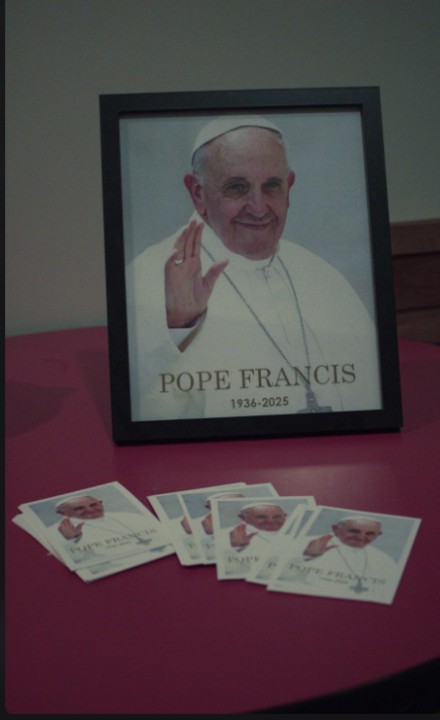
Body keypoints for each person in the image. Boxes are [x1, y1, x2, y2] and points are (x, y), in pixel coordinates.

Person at [126, 115, 381, 420]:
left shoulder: (322, 277)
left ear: (289, 187)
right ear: (197, 193)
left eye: (272, 186)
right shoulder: (146, 277)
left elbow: (369, 392)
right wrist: (177, 329)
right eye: (237, 187)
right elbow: (139, 410)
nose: (258, 209)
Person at [50, 494, 169, 563]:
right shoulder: (53, 531)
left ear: (101, 503)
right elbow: (73, 561)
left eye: (93, 504)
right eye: (79, 508)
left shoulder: (129, 516)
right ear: (62, 513)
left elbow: (164, 534)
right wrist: (73, 540)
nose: (90, 510)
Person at [300, 516, 397, 598]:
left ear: (378, 535)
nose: (361, 537)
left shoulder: (384, 559)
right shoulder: (302, 543)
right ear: (335, 529)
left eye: (370, 533)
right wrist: (306, 557)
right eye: (354, 531)